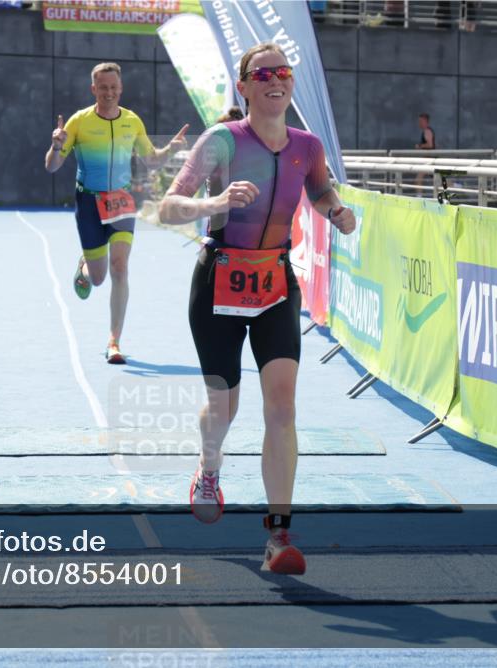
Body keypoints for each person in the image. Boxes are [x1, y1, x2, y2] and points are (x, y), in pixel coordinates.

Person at [159, 42, 356, 574]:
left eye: (284, 72)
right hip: (220, 279)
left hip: (275, 281)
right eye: (263, 73)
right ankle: (209, 465)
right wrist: (214, 204)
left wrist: (336, 210)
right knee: (223, 408)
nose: (277, 80)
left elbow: (319, 192)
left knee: (283, 406)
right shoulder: (222, 141)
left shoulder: (308, 146)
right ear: (244, 86)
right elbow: (169, 205)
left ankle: (279, 535)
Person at [45, 62, 189, 364]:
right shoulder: (79, 122)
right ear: (93, 89)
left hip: (121, 201)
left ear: (120, 89)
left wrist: (172, 149)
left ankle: (114, 341)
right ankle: (86, 264)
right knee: (98, 280)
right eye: (103, 87)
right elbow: (52, 166)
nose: (109, 92)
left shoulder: (132, 121)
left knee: (120, 267)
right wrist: (56, 147)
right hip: (88, 203)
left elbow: (151, 160)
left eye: (114, 87)